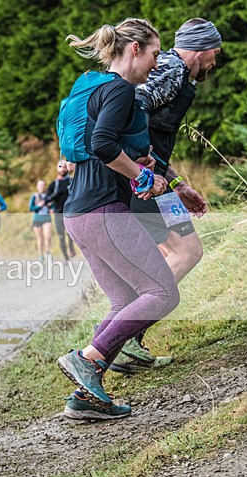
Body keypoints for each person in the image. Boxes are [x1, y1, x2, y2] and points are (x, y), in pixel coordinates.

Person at [57, 18, 178, 421]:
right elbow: (102, 145)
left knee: (125, 299)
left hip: (79, 212)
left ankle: (86, 399)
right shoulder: (122, 89)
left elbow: (106, 146)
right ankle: (87, 360)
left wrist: (149, 168)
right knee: (161, 293)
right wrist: (143, 176)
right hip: (103, 208)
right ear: (134, 50)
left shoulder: (94, 87)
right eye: (155, 54)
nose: (157, 64)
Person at [113, 18, 222, 372]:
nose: (215, 62)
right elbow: (134, 103)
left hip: (157, 182)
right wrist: (140, 167)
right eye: (214, 54)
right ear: (202, 48)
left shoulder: (179, 75)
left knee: (172, 253)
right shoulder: (173, 70)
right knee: (186, 250)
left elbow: (153, 137)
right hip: (144, 183)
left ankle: (123, 337)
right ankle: (126, 334)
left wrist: (177, 183)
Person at [45, 161, 76, 260]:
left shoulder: (72, 181)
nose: (62, 169)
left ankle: (71, 247)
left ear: (67, 168)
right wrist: (55, 193)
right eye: (60, 167)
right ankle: (65, 257)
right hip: (58, 213)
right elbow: (47, 198)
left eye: (64, 167)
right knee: (61, 236)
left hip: (70, 212)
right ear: (57, 169)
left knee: (70, 233)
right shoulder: (54, 184)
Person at [29, 180, 53, 261]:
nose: (42, 187)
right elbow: (31, 208)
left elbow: (52, 205)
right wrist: (38, 206)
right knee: (40, 239)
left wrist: (52, 209)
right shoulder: (34, 196)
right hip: (37, 219)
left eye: (43, 185)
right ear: (37, 187)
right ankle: (41, 256)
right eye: (40, 185)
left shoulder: (48, 196)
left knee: (48, 237)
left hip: (47, 218)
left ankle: (48, 253)